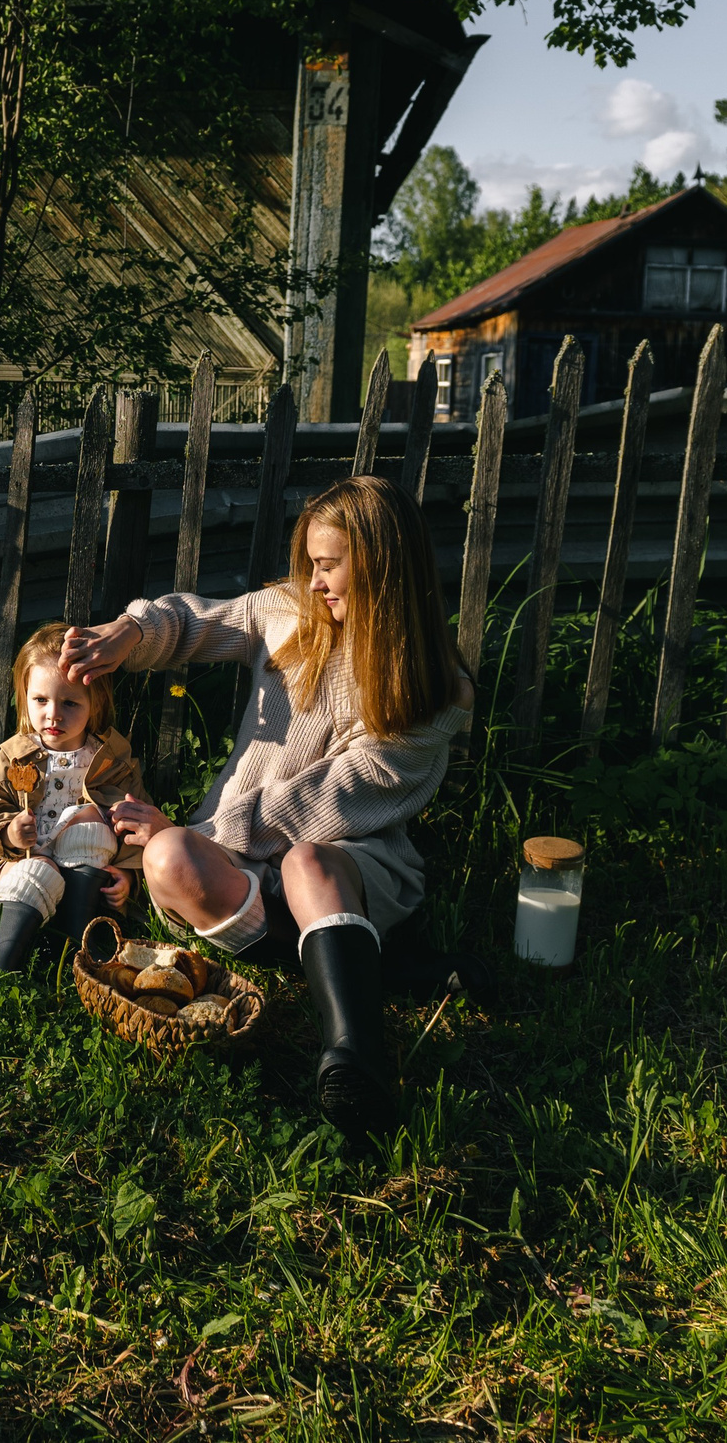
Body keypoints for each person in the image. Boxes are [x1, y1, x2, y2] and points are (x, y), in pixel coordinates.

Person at [59, 474, 473, 1132]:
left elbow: (324, 800)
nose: (313, 582)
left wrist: (213, 832)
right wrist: (132, 633)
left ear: (378, 566)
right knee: (168, 859)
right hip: (244, 867)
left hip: (349, 866)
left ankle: (354, 1060)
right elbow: (201, 621)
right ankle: (369, 964)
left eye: (328, 565)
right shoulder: (292, 614)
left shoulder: (435, 692)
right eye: (310, 564)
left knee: (307, 861)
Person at [0, 622, 146, 988]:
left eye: (70, 702)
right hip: (20, 861)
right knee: (36, 870)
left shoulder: (110, 760)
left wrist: (129, 874)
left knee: (91, 821)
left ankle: (76, 953)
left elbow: (137, 822)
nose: (53, 714)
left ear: (96, 702)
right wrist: (8, 831)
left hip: (82, 868)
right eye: (40, 700)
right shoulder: (18, 756)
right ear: (25, 697)